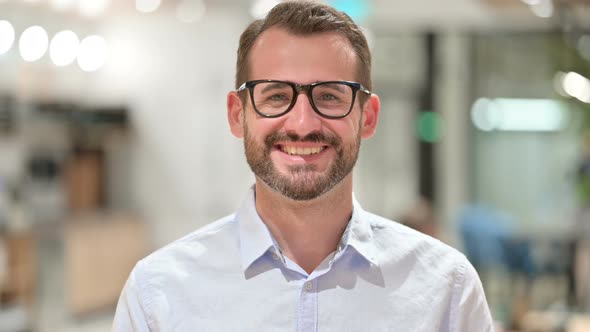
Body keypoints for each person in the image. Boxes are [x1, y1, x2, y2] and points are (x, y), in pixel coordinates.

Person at [113, 1, 494, 331]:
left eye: (329, 96)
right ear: (236, 115)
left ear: (368, 117)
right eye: (276, 96)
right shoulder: (158, 295)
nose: (302, 124)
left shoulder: (447, 289)